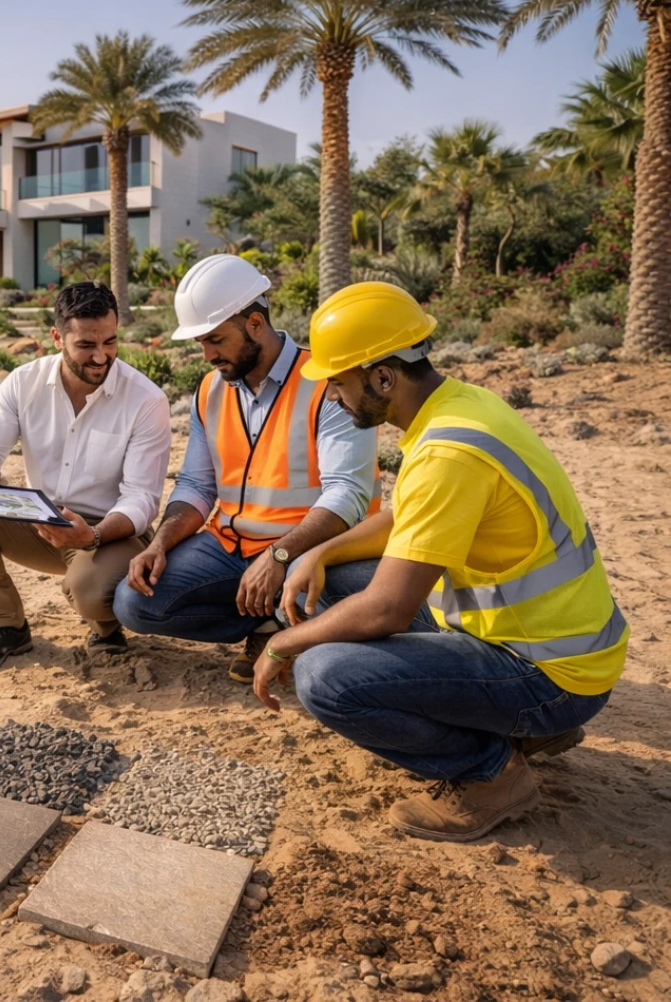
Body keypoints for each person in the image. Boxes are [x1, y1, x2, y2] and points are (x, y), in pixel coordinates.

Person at [253, 282, 627, 842]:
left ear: (383, 377)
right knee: (330, 585)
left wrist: (282, 644)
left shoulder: (449, 452)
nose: (332, 397)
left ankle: (492, 774)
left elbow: (385, 611)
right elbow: (407, 517)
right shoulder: (462, 407)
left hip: (553, 675)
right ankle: (520, 733)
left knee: (324, 677)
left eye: (338, 382)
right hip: (542, 643)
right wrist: (320, 551)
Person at [113, 255, 381, 682]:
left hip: (313, 550)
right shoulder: (209, 390)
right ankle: (269, 622)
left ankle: (291, 627)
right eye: (201, 342)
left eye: (215, 339)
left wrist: (279, 555)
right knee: (134, 602)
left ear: (255, 323)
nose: (207, 354)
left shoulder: (328, 381)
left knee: (334, 592)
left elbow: (348, 493)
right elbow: (197, 485)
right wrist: (160, 543)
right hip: (230, 546)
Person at [0, 282, 171, 673]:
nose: (102, 357)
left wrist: (92, 536)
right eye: (86, 346)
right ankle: (9, 628)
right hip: (41, 520)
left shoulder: (147, 400)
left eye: (111, 342)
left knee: (90, 591)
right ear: (56, 337)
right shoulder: (23, 381)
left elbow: (142, 499)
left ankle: (106, 627)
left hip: (110, 532)